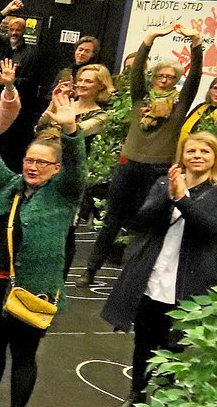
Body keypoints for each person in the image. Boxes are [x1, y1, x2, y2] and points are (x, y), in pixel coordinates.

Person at [0, 85, 87, 407]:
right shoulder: (9, 187)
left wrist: (71, 131)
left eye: (41, 163)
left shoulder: (63, 194)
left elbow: (78, 168)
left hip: (31, 289)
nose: (32, 166)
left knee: (23, 355)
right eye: (29, 160)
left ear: (56, 169)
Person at [100, 134, 217, 407]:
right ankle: (135, 395)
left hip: (189, 279)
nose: (197, 155)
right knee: (143, 340)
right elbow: (144, 220)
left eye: (204, 151)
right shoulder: (164, 182)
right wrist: (168, 196)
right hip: (153, 274)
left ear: (215, 158)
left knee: (173, 343)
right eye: (191, 150)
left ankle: (166, 404)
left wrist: (183, 199)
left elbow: (210, 228)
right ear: (181, 155)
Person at [84, 23, 203, 284]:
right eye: (161, 75)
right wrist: (148, 39)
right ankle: (90, 270)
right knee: (112, 220)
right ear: (154, 77)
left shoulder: (180, 104)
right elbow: (136, 71)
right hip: (129, 165)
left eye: (171, 77)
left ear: (176, 81)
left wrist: (195, 44)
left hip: (159, 169)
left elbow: (195, 76)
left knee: (151, 223)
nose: (164, 80)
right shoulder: (141, 99)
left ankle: (139, 276)